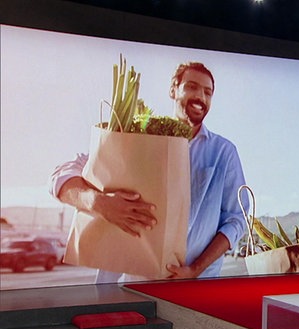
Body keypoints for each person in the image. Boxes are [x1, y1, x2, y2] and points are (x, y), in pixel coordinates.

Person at [50, 62, 248, 281]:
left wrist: (195, 270)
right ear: (173, 89)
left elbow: (237, 219)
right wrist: (97, 202)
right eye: (191, 87)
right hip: (128, 284)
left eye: (207, 92)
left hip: (193, 286)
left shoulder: (223, 152)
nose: (200, 97)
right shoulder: (139, 136)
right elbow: (60, 176)